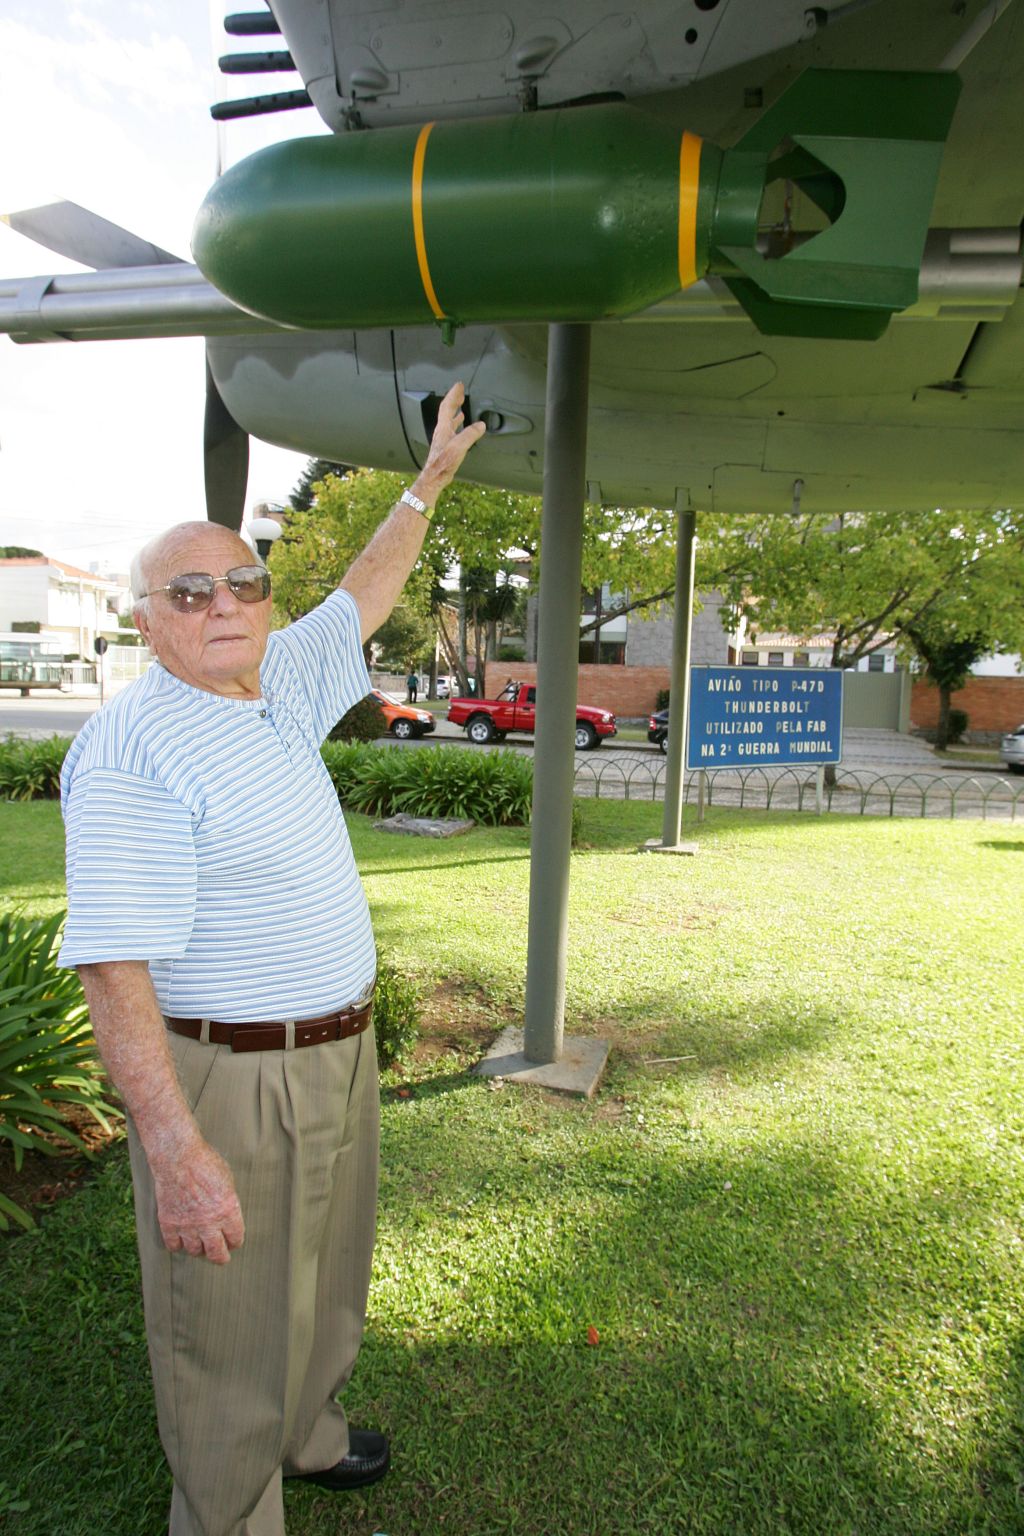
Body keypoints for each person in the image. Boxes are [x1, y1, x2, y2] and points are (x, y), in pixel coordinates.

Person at [57, 383, 485, 1536]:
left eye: (242, 579)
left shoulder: (279, 681)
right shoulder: (133, 749)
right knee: (226, 1326)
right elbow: (114, 971)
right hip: (234, 1081)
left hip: (337, 1053)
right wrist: (175, 1148)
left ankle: (310, 1436)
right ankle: (230, 1512)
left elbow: (365, 590)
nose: (223, 602)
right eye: (187, 591)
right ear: (143, 618)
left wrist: (430, 478)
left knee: (323, 1283)